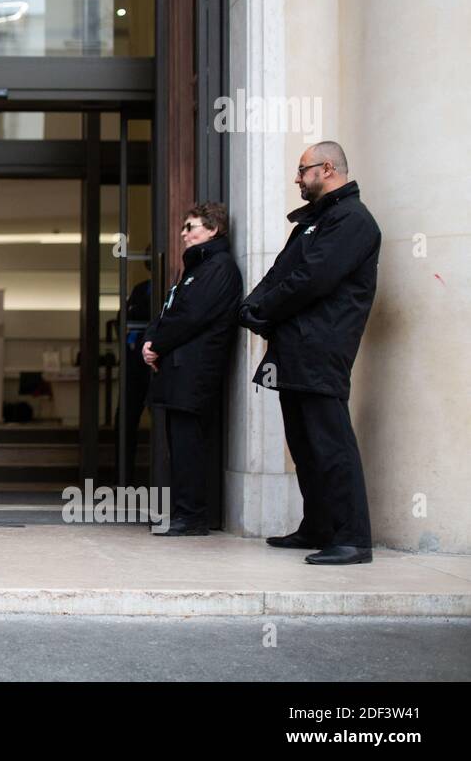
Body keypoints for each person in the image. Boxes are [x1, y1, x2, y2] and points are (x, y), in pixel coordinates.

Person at [239, 141, 381, 566]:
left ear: (328, 168)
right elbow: (283, 270)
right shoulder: (316, 220)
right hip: (295, 347)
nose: (296, 179)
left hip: (323, 348)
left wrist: (262, 309)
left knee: (331, 444)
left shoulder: (353, 220)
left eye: (302, 170)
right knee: (303, 444)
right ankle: (318, 526)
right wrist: (252, 305)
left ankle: (353, 538)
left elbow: (312, 279)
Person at [141, 203, 243, 535]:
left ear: (213, 230)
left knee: (189, 446)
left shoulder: (219, 268)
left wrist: (156, 345)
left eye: (191, 226)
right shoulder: (198, 268)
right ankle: (185, 512)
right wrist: (151, 338)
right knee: (181, 444)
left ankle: (192, 516)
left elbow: (191, 317)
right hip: (180, 373)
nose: (184, 233)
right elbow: (173, 311)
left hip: (194, 373)